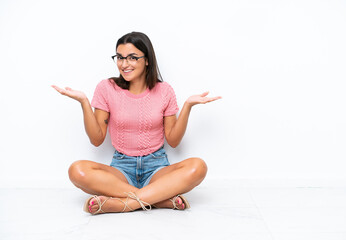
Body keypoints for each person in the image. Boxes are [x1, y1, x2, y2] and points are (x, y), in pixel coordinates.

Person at [52, 31, 221, 214]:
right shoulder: (106, 88)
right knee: (77, 171)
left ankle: (124, 204)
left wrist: (188, 105)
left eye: (132, 58)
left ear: (147, 60)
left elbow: (173, 140)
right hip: (121, 169)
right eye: (120, 57)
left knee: (198, 167)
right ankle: (158, 199)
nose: (124, 64)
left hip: (156, 167)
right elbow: (96, 139)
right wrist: (84, 102)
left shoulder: (164, 91)